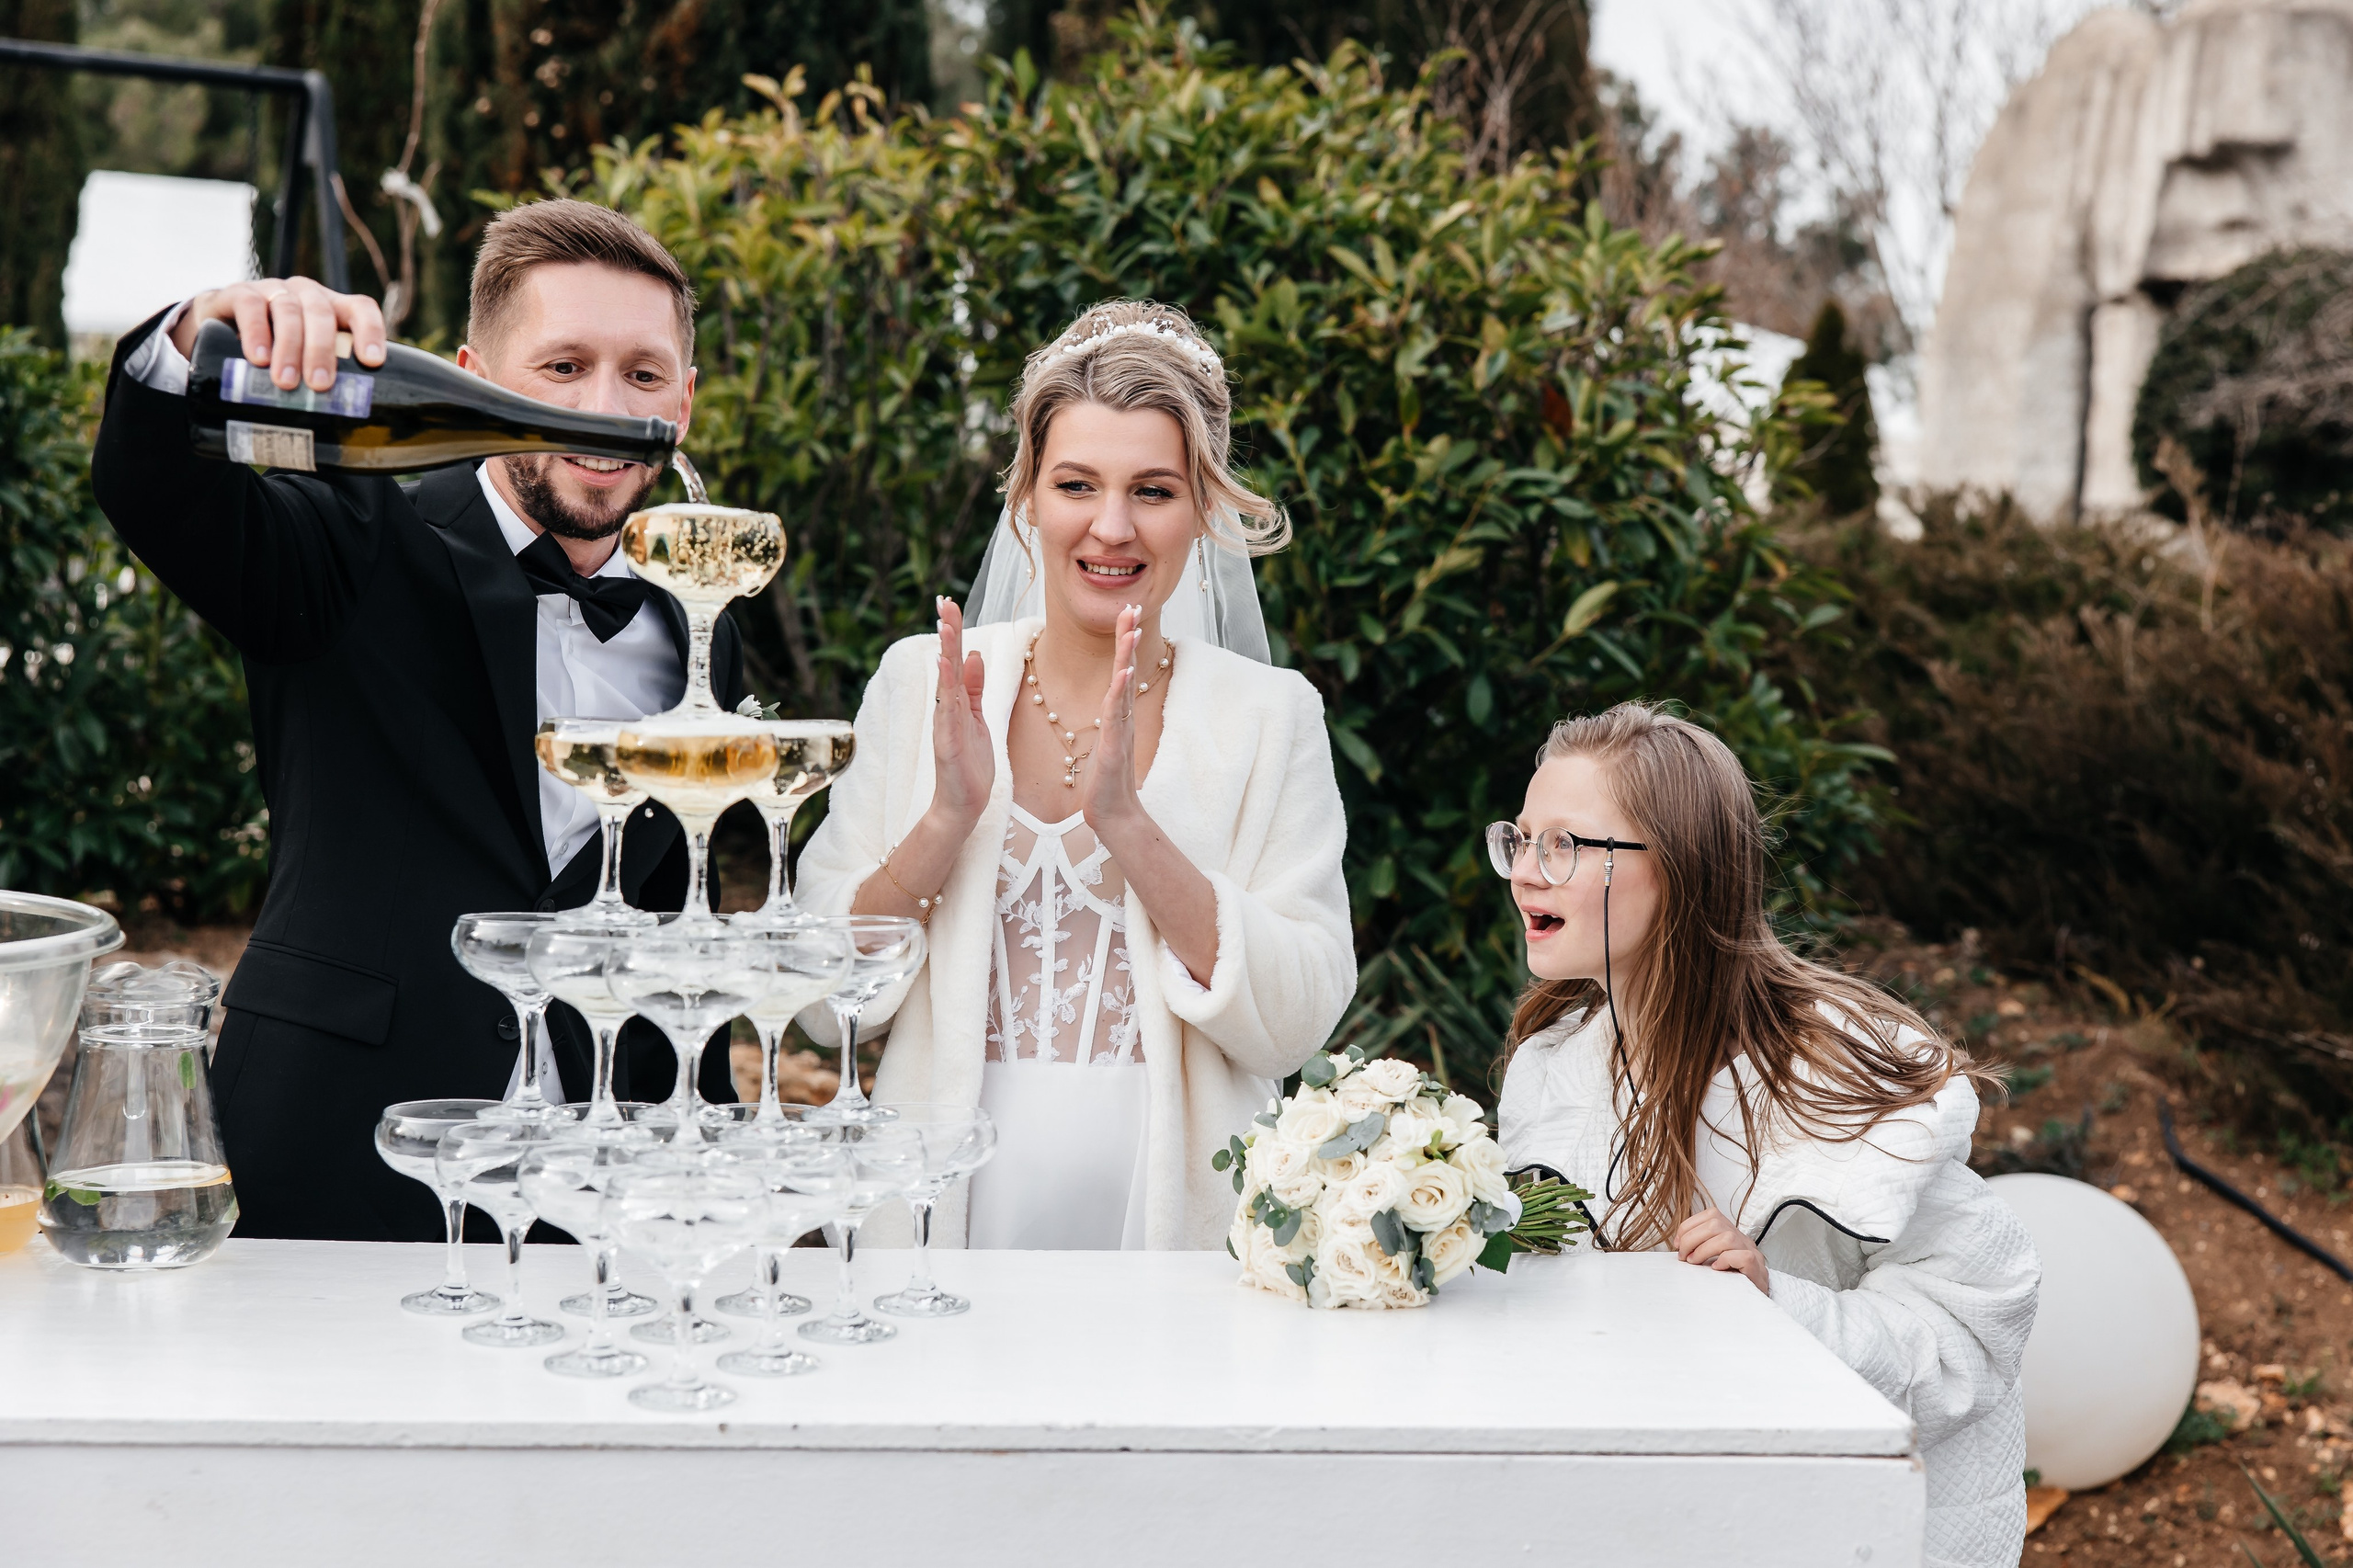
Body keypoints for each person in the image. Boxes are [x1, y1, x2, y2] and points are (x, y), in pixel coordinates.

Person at [89, 199, 745, 1242]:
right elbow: (155, 490)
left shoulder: (696, 608)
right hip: (344, 1148)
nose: (606, 406)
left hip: (610, 1186)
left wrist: (713, 1144)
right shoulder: (355, 531)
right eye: (563, 367)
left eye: (644, 373)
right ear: (474, 372)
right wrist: (195, 332)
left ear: (687, 402)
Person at [794, 300, 1356, 1250]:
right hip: (944, 1202)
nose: (1110, 527)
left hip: (1177, 1219)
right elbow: (813, 997)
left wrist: (1128, 827)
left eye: (1153, 490)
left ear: (1202, 508)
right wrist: (946, 818)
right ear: (1026, 500)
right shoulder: (918, 685)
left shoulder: (1271, 716)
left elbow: (1297, 1017)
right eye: (1075, 484)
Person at [1490, 703, 2039, 1568]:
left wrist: (1780, 1308)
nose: (1523, 873)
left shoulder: (1837, 1068)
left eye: (1561, 845)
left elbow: (1973, 1329)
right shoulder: (1552, 1072)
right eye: (1518, 840)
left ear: (1677, 867)